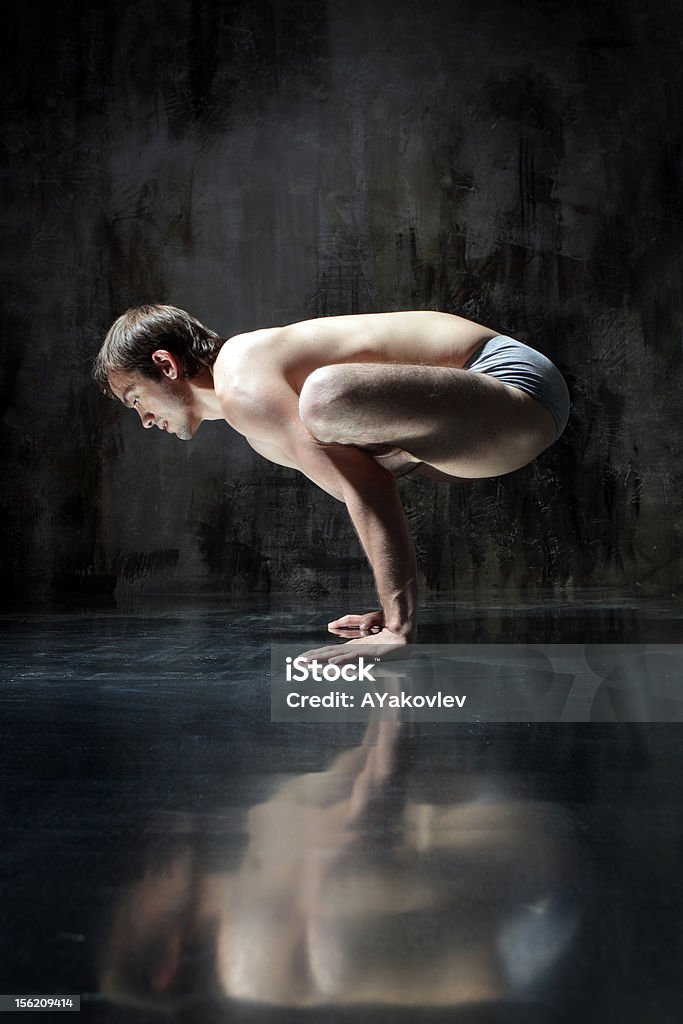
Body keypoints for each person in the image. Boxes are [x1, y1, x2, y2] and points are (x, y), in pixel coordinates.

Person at [93, 306, 569, 653]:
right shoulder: (260, 432)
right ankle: (398, 613)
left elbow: (372, 490)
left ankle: (401, 622)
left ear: (165, 365)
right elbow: (369, 489)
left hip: (513, 383)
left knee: (324, 397)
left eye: (136, 399)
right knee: (352, 444)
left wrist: (399, 629)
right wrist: (392, 607)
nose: (145, 420)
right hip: (484, 435)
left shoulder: (242, 378)